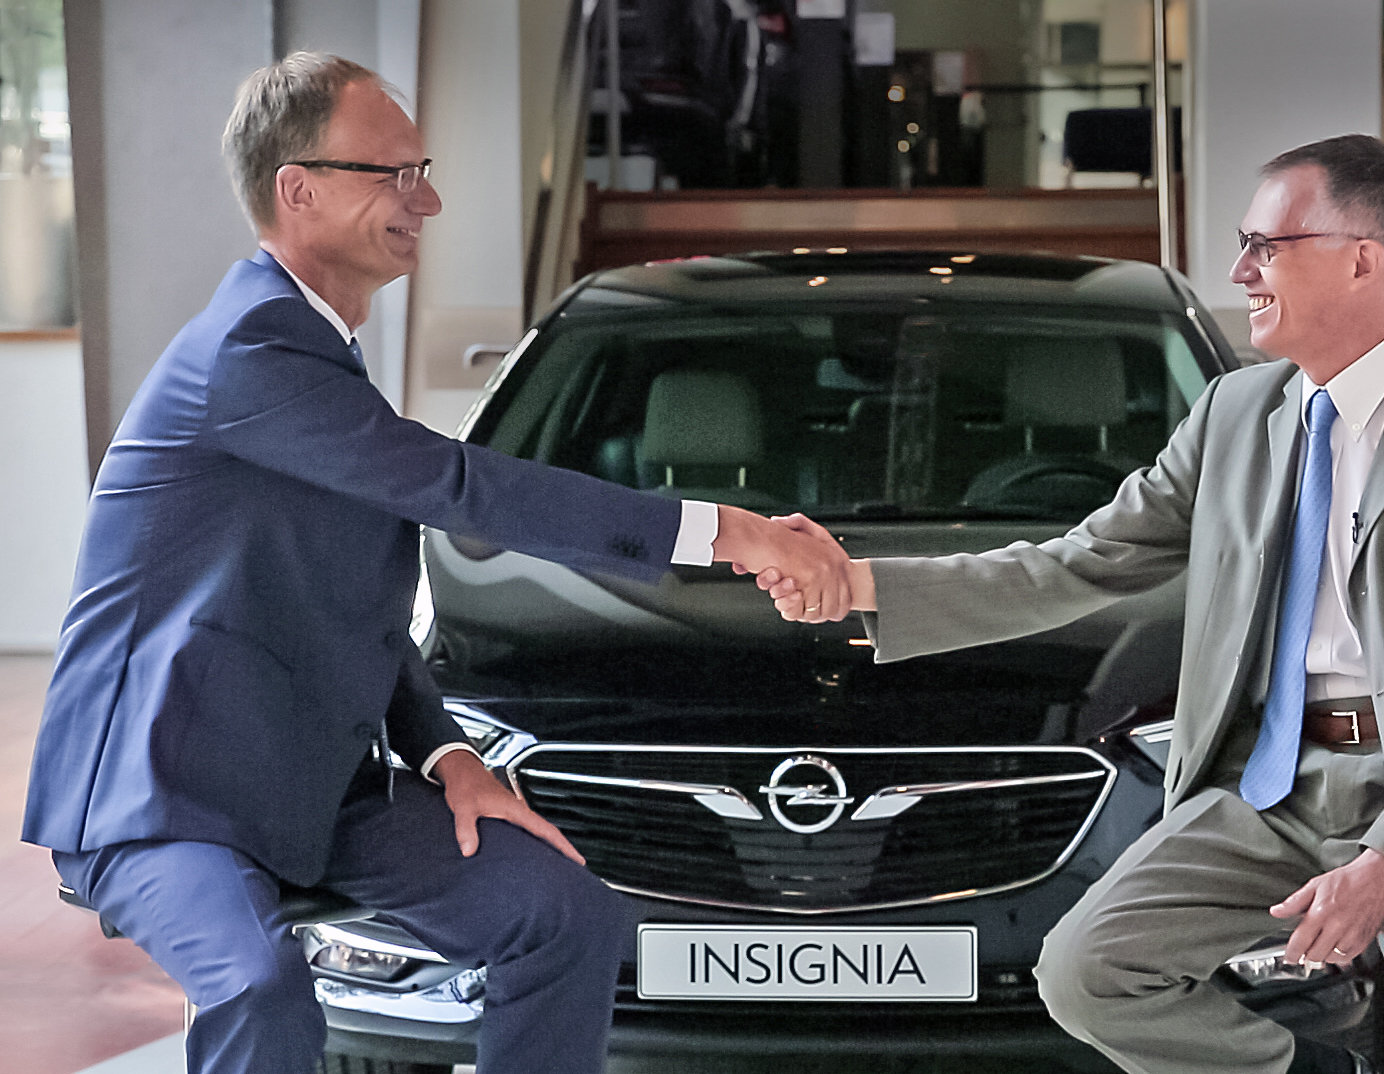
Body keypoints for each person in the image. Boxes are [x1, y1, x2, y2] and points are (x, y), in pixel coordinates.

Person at [21, 52, 847, 1074]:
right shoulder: (251, 349)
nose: (429, 200)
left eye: (423, 171)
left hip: (311, 779)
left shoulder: (317, 352)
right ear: (298, 189)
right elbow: (463, 487)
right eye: (396, 174)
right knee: (257, 987)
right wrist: (729, 532)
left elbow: (355, 611)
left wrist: (449, 756)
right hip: (167, 789)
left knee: (564, 914)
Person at [756, 134, 1384, 1073]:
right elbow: (1080, 563)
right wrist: (860, 583)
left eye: (1265, 246)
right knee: (1086, 973)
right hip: (1271, 790)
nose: (1241, 271)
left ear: (1362, 258)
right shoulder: (1233, 415)